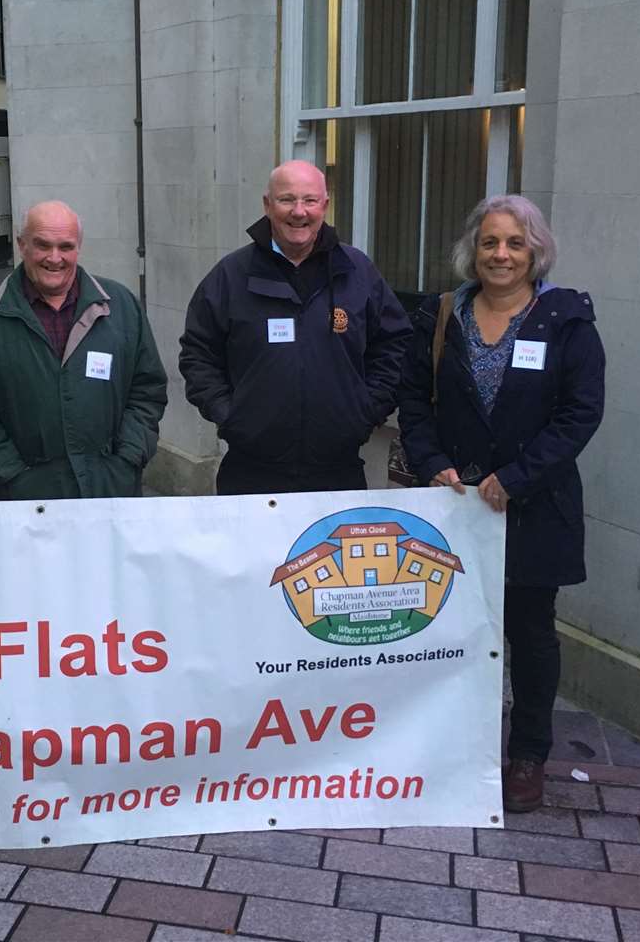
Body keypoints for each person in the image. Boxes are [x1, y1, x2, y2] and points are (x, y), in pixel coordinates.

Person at [396, 194, 605, 813]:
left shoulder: (566, 320)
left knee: (531, 634)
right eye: (490, 242)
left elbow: (580, 414)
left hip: (534, 507)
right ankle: (462, 741)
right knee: (455, 630)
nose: (501, 254)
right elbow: (414, 399)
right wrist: (432, 461)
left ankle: (528, 754)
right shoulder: (440, 316)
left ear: (535, 250)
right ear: (473, 250)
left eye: (514, 242)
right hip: (456, 506)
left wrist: (518, 476)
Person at [179, 160, 411, 494]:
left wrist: (366, 411)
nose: (298, 212)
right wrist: (231, 416)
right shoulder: (231, 275)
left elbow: (394, 345)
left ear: (325, 205)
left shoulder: (357, 272)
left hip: (339, 471)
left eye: (310, 200)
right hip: (250, 471)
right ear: (267, 205)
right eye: (287, 199)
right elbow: (198, 355)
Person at [0, 201, 168, 499]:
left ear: (78, 248)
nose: (54, 258)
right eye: (42, 245)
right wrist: (13, 475)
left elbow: (147, 390)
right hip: (29, 501)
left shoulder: (121, 308)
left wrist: (127, 458)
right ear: (21, 245)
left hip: (112, 490)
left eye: (65, 246)